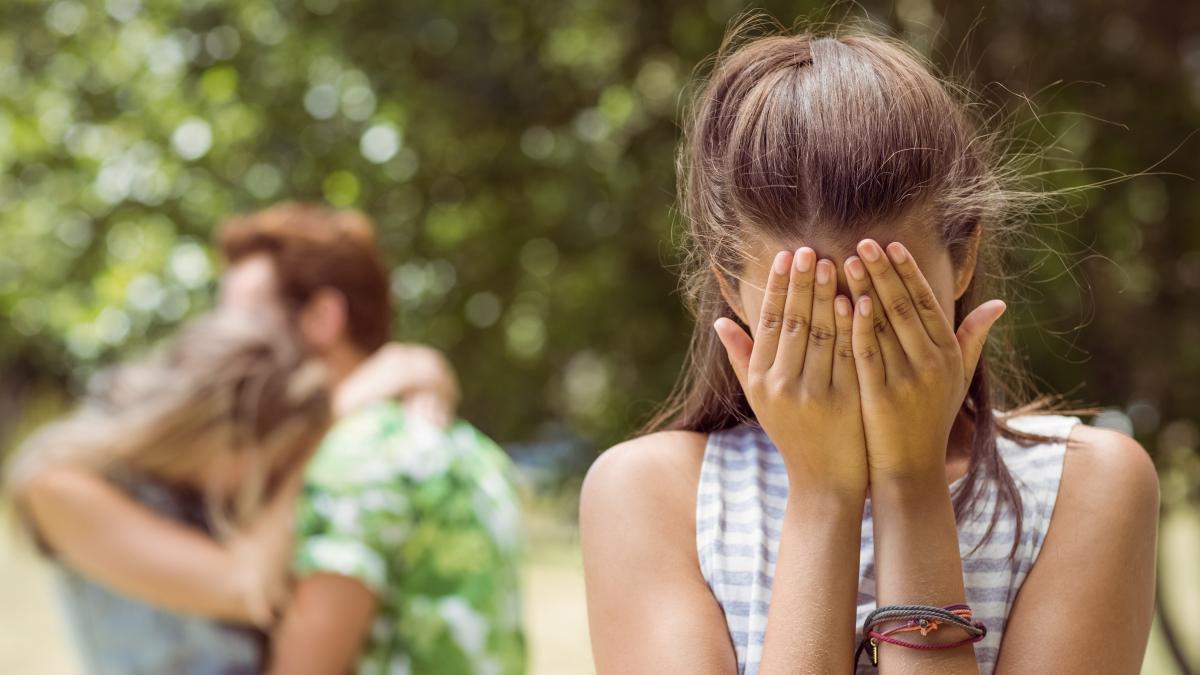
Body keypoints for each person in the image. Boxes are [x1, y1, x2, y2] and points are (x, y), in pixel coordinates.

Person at [580, 25, 1158, 675]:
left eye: (884, 306)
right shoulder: (650, 496)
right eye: (804, 314)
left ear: (962, 256)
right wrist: (823, 494)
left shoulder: (1090, 486)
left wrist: (911, 489)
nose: (851, 347)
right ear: (728, 285)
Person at [13, 203, 528, 675]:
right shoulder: (60, 483)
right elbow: (244, 585)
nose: (236, 336)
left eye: (248, 315)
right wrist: (348, 410)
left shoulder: (336, 454)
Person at [7, 312, 332, 675]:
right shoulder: (59, 482)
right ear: (218, 435)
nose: (273, 477)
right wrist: (318, 449)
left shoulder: (199, 488)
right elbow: (245, 589)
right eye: (269, 463)